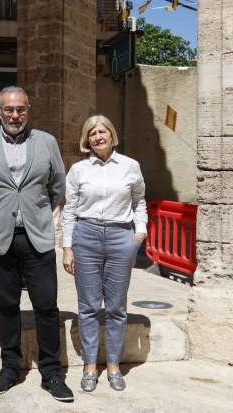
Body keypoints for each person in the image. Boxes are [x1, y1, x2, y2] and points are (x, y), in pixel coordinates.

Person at [0, 86, 73, 403]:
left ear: (29, 110)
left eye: (20, 110)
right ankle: (10, 368)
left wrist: (34, 211)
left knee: (47, 307)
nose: (15, 115)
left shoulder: (47, 142)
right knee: (7, 306)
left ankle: (51, 372)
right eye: (9, 110)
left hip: (36, 238)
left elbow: (57, 186)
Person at [61, 115, 147, 392]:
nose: (98, 136)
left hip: (121, 236)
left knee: (116, 307)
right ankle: (89, 365)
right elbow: (70, 210)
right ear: (87, 139)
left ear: (112, 134)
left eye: (102, 131)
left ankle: (113, 365)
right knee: (87, 307)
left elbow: (139, 202)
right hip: (86, 236)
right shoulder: (77, 170)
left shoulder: (130, 166)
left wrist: (140, 233)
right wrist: (67, 247)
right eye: (92, 133)